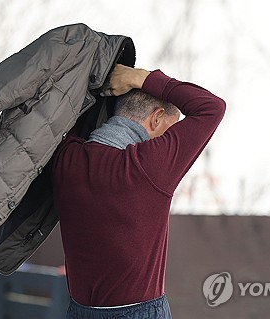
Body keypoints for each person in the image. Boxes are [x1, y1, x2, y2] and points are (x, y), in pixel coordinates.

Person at [51, 64, 226, 319]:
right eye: (171, 125)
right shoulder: (147, 167)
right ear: (155, 118)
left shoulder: (67, 159)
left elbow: (69, 108)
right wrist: (141, 78)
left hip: (79, 311)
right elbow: (212, 107)